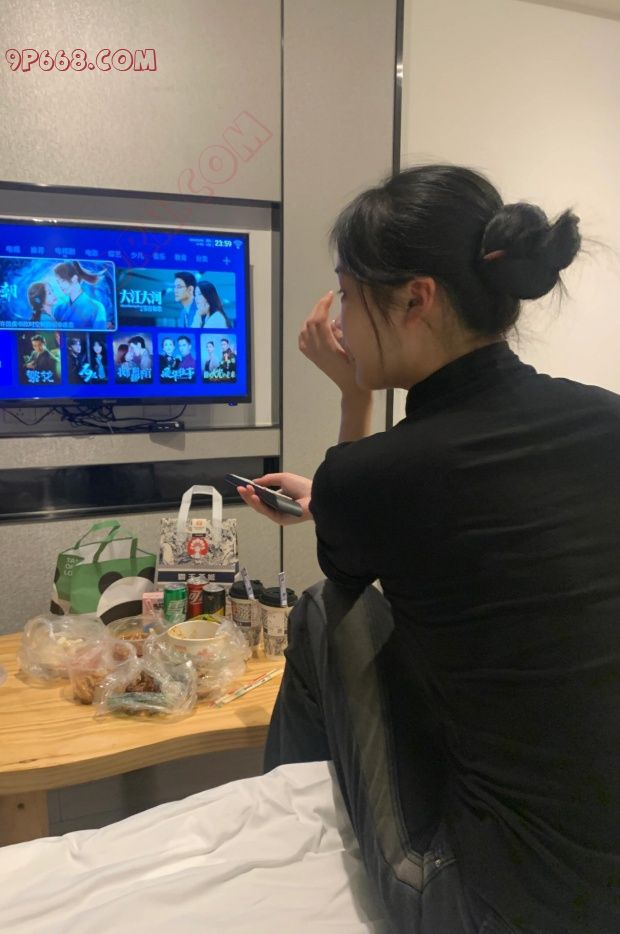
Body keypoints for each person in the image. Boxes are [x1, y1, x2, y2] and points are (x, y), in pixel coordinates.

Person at [237, 165, 620, 933]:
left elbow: (348, 563)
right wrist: (336, 493)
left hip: (489, 907)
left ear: (417, 299)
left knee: (318, 609)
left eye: (347, 295)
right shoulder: (605, 420)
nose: (340, 320)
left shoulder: (377, 475)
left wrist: (353, 398)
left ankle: (283, 846)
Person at [54, 261, 108, 329]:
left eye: (63, 281)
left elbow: (99, 334)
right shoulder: (59, 309)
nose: (60, 286)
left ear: (74, 279)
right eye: (58, 282)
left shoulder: (97, 308)